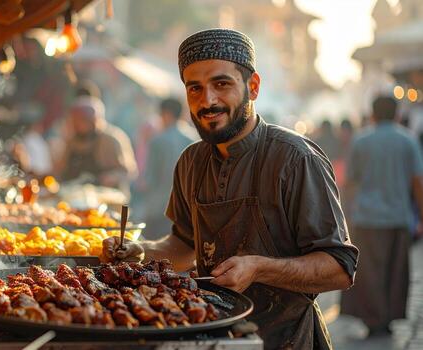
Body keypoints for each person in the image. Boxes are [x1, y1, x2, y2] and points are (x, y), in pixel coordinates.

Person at [101, 28, 358, 349]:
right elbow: (183, 247)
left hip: (286, 338)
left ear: (253, 86)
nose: (207, 101)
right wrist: (141, 251)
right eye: (195, 88)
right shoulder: (190, 162)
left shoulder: (295, 158)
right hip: (212, 334)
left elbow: (339, 269)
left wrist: (259, 268)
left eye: (221, 84)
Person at [340, 96, 423, 335]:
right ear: (397, 114)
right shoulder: (408, 140)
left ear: (373, 114)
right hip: (398, 218)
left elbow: (350, 183)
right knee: (395, 272)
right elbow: (418, 182)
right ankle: (387, 318)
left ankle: (372, 318)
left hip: (366, 219)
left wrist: (346, 213)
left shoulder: (361, 140)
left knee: (370, 272)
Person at [56, 96, 138, 196]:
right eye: (74, 121)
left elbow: (130, 172)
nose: (75, 126)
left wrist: (112, 177)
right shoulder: (73, 140)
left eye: (79, 121)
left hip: (110, 201)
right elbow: (60, 169)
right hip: (76, 197)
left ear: (93, 120)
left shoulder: (112, 139)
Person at [143, 98, 197, 239]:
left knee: (157, 253)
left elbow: (149, 179)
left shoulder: (158, 141)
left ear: (166, 114)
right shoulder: (194, 140)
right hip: (186, 210)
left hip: (160, 207)